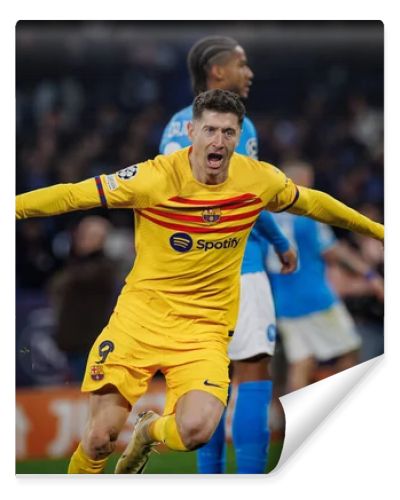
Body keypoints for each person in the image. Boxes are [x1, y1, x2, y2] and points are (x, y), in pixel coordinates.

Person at [16, 89, 384, 475]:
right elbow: (73, 196)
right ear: (191, 131)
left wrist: (377, 230)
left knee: (196, 431)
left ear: (238, 137)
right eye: (210, 130)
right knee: (99, 439)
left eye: (228, 133)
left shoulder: (257, 179)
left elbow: (314, 203)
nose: (218, 141)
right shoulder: (154, 178)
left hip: (203, 331)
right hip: (139, 322)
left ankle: (147, 433)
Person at [159, 35, 297, 473]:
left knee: (206, 383)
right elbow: (248, 198)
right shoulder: (237, 125)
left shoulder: (175, 127)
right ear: (217, 72)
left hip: (190, 279)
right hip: (240, 266)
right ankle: (252, 480)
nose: (249, 72)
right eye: (242, 64)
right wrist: (280, 242)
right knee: (252, 374)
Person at [265, 160, 384, 392]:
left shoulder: (268, 216)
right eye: (309, 181)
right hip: (316, 299)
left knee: (301, 363)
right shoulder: (307, 214)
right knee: (350, 350)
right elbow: (334, 251)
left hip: (285, 303)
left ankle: (298, 422)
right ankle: (334, 406)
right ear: (297, 182)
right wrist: (371, 275)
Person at [49, 216, 116, 382]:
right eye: (80, 235)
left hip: (91, 343)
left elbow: (63, 282)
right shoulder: (76, 263)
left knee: (90, 390)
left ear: (102, 239)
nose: (81, 240)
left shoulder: (102, 267)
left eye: (88, 236)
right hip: (73, 341)